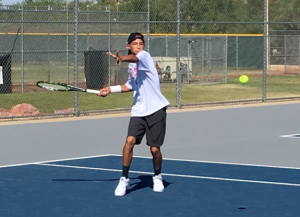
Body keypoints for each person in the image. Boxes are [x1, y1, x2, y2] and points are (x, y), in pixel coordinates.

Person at [98, 32, 170, 196]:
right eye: (135, 43)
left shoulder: (144, 56)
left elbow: (135, 58)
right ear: (128, 45)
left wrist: (122, 58)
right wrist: (110, 89)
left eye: (141, 43)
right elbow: (130, 85)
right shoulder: (132, 66)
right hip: (138, 110)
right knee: (129, 141)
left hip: (156, 109)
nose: (139, 46)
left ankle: (157, 176)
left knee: (154, 150)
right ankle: (124, 179)